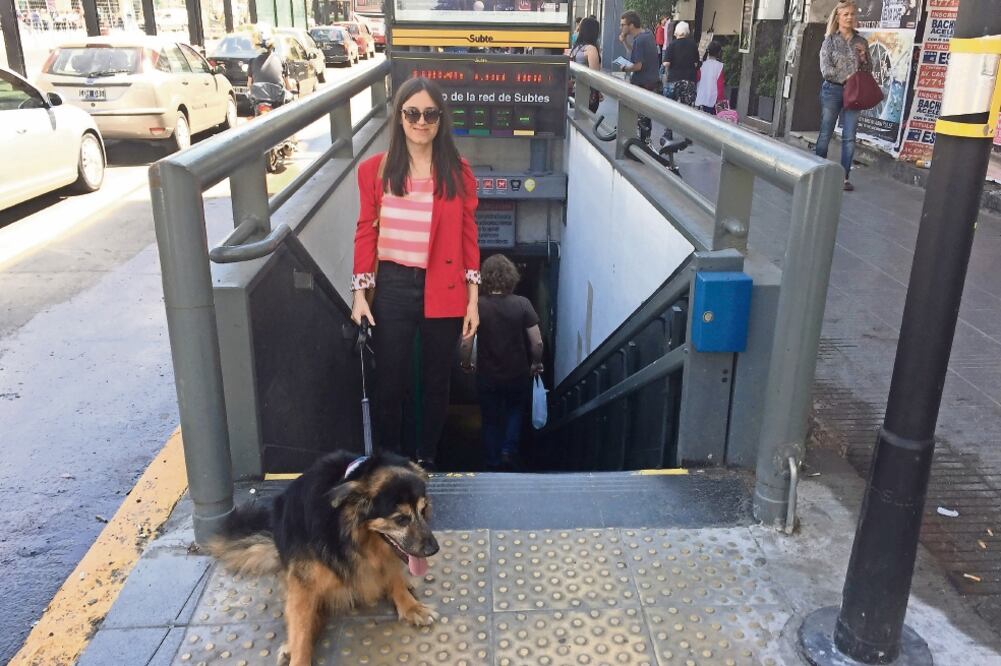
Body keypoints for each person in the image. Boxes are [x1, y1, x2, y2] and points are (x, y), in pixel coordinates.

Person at [350, 77, 481, 471]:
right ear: (400, 117)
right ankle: (391, 461)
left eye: (429, 114)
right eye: (412, 113)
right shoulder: (375, 170)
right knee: (390, 382)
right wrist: (360, 292)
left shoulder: (457, 172)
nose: (420, 122)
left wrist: (473, 300)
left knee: (437, 381)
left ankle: (426, 457)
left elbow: (467, 237)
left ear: (440, 120)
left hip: (442, 286)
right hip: (391, 286)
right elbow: (365, 231)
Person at [461, 255, 543, 471]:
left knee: (490, 418)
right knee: (515, 411)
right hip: (517, 373)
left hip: (487, 375)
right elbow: (537, 342)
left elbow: (466, 342)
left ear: (485, 278)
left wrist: (466, 363)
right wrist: (535, 363)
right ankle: (508, 450)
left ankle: (492, 460)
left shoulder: (477, 306)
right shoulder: (523, 304)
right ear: (511, 277)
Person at [817, 0, 871, 191]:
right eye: (846, 14)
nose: (850, 17)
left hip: (854, 92)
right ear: (838, 17)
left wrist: (863, 62)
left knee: (850, 136)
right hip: (833, 90)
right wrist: (846, 76)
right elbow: (826, 69)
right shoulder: (830, 41)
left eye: (852, 14)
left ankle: (844, 177)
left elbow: (868, 69)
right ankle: (817, 171)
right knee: (826, 132)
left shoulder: (861, 42)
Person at [618, 11, 660, 142]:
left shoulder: (640, 39)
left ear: (631, 25)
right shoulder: (647, 35)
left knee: (641, 116)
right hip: (651, 81)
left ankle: (642, 143)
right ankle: (644, 141)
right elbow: (636, 53)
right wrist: (624, 41)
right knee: (645, 116)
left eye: (623, 24)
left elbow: (638, 65)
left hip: (643, 82)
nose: (621, 28)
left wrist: (625, 67)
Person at [660, 21, 698, 144]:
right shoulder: (693, 45)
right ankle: (688, 135)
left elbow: (666, 63)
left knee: (670, 107)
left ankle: (668, 132)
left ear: (676, 32)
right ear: (687, 32)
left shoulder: (672, 45)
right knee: (687, 108)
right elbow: (697, 63)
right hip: (689, 80)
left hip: (674, 80)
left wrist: (665, 69)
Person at [569, 16, 602, 113]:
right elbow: (594, 75)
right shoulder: (591, 49)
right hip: (588, 94)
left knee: (577, 121)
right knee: (587, 122)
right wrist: (598, 92)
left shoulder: (576, 48)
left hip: (575, 90)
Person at [247, 32, 291, 99]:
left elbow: (249, 84)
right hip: (277, 98)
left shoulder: (252, 61)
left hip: (259, 98)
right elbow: (288, 85)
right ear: (272, 46)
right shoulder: (281, 61)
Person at [694, 41, 725, 114]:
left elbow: (697, 78)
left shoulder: (703, 65)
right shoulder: (720, 66)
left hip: (701, 98)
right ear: (719, 53)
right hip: (712, 100)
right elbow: (720, 85)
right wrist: (720, 99)